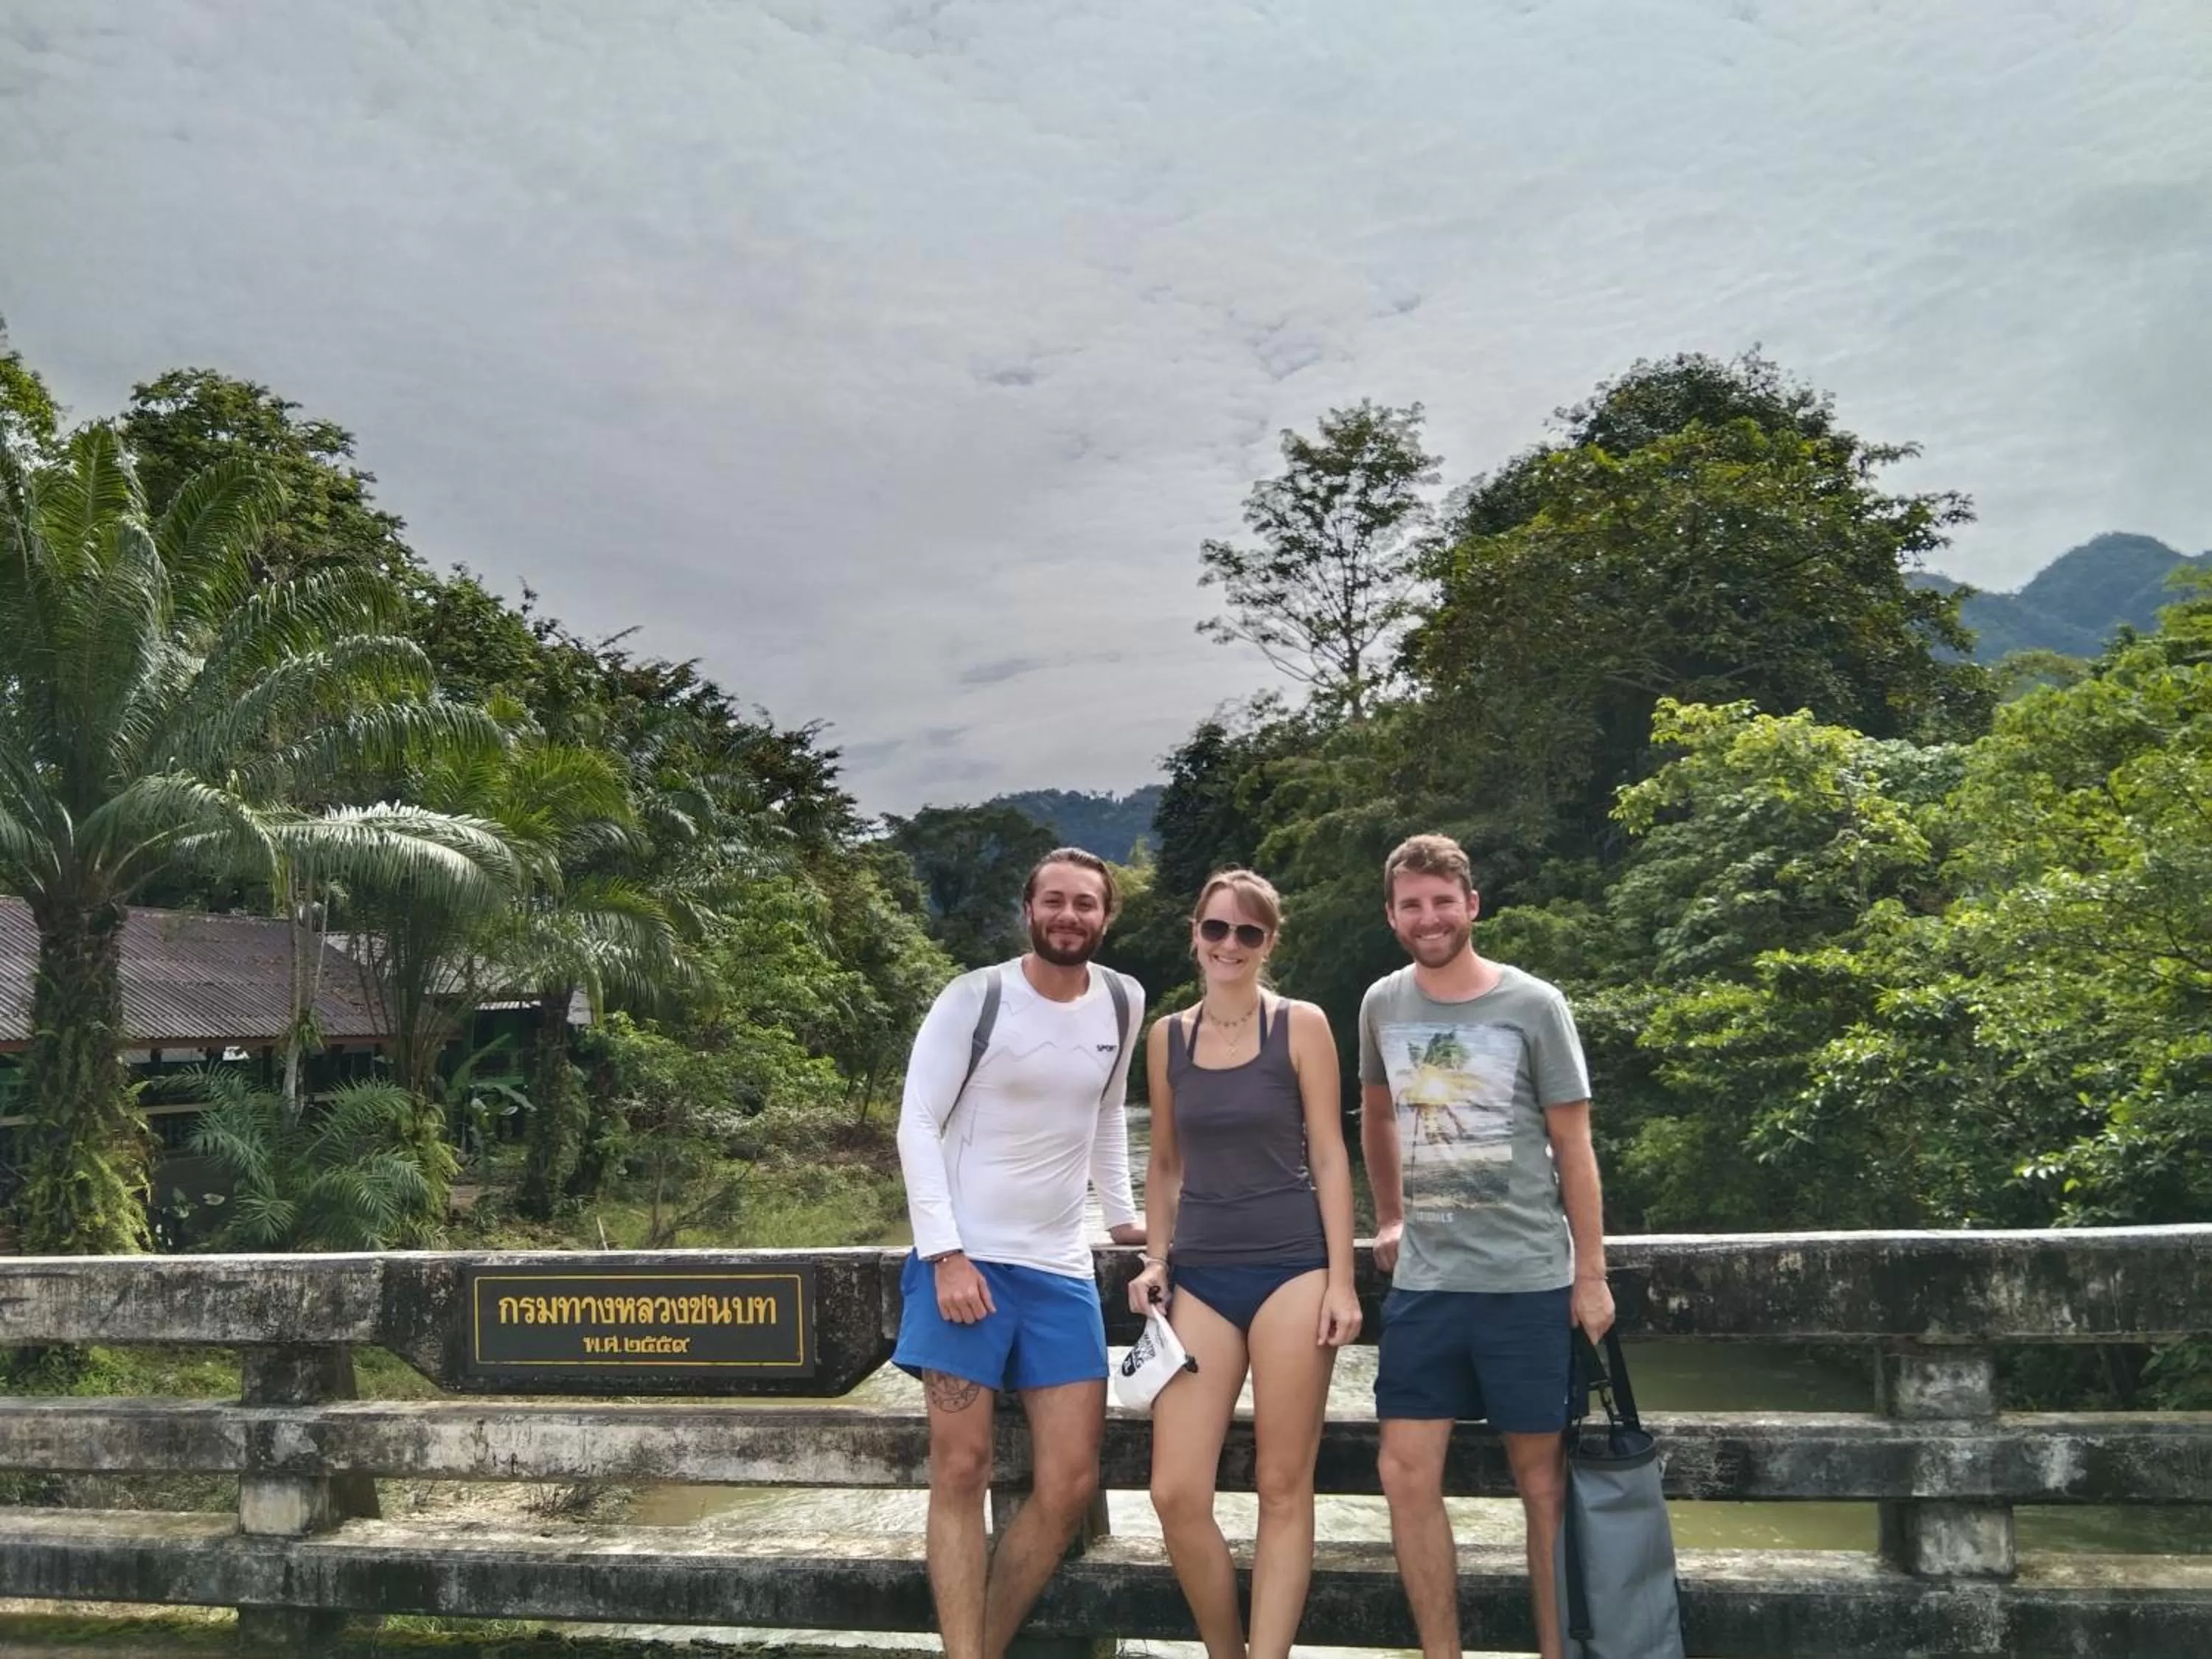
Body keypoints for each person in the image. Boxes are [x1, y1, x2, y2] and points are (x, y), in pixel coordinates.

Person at [1360, 833, 1613, 1659]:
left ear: (1472, 905)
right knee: (1404, 1475)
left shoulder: (1535, 1004)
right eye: (1412, 904)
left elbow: (1574, 1146)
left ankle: (1556, 1651)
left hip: (1526, 1280)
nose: (1428, 918)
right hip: (1430, 1285)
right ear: (1393, 916)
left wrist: (1591, 1275)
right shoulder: (1381, 1004)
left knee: (1541, 1487)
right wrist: (1390, 1215)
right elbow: (1376, 1115)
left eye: (1442, 901)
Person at [893, 847, 1147, 1659]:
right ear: (1029, 909)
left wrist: (1123, 1219)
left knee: (1070, 1483)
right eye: (1055, 902)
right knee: (960, 1467)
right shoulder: (978, 997)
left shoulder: (1121, 999)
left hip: (1061, 1268)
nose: (1069, 917)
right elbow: (917, 1124)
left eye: (1086, 905)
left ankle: (982, 1649)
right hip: (966, 1265)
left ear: (1106, 917)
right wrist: (946, 1254)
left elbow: (1108, 1115)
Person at [1126, 869, 1362, 1659]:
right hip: (1202, 1273)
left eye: (1248, 933)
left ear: (1269, 944)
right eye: (1217, 929)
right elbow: (1163, 1164)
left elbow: (1330, 1155)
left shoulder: (1302, 1026)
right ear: (1194, 934)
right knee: (1175, 1492)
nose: (1230, 945)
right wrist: (1156, 1260)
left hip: (1293, 1267)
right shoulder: (1168, 1038)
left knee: (1282, 1487)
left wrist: (1342, 1279)